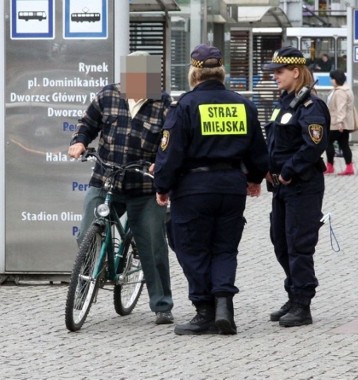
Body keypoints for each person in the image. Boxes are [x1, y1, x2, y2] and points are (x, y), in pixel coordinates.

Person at [154, 44, 269, 335]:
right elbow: (259, 151)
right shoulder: (243, 105)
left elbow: (171, 153)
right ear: (222, 73)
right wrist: (254, 179)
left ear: (194, 73)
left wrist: (162, 186)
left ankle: (204, 311)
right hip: (231, 187)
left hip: (193, 188)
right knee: (225, 248)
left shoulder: (185, 106)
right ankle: (224, 307)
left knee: (192, 249)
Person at [68, 51, 175, 325]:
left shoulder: (163, 104)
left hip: (143, 185)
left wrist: (159, 164)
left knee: (152, 245)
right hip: (106, 180)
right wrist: (79, 142)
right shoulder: (107, 96)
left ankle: (161, 304)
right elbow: (87, 124)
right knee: (86, 234)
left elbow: (170, 142)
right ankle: (84, 289)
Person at [262, 47, 330, 327]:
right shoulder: (284, 104)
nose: (275, 76)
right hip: (281, 187)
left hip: (303, 185)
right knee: (280, 241)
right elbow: (275, 141)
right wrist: (266, 166)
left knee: (299, 244)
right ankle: (293, 294)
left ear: (296, 72)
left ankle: (303, 304)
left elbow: (314, 145)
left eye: (279, 72)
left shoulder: (311, 106)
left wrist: (289, 170)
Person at [325, 70, 355, 175]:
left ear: (336, 79)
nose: (331, 81)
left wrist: (339, 122)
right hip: (345, 123)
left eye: (332, 78)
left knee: (327, 142)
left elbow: (340, 108)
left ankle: (330, 166)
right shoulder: (347, 90)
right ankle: (349, 168)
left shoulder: (340, 92)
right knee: (344, 145)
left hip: (337, 123)